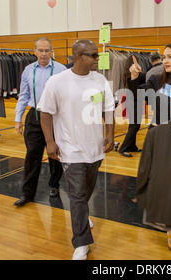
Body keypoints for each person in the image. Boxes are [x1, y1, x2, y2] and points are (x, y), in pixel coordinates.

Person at [37, 39, 115, 260]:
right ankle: (81, 242)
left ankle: (81, 216)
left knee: (86, 191)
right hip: (70, 149)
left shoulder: (100, 80)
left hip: (95, 148)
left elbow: (108, 109)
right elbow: (45, 112)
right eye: (93, 55)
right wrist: (50, 141)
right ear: (79, 56)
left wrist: (109, 134)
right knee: (78, 195)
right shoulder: (57, 82)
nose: (97, 59)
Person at [14, 37, 66, 207]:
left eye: (47, 51)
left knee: (54, 155)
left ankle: (54, 185)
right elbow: (23, 96)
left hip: (54, 117)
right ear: (34, 51)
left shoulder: (61, 70)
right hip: (34, 116)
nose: (43, 54)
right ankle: (27, 194)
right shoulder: (28, 70)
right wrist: (18, 119)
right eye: (40, 50)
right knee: (32, 156)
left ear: (52, 51)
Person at [118, 55, 145, 157]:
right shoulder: (134, 74)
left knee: (133, 125)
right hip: (134, 101)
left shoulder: (126, 73)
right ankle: (123, 148)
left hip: (131, 101)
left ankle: (132, 145)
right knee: (134, 126)